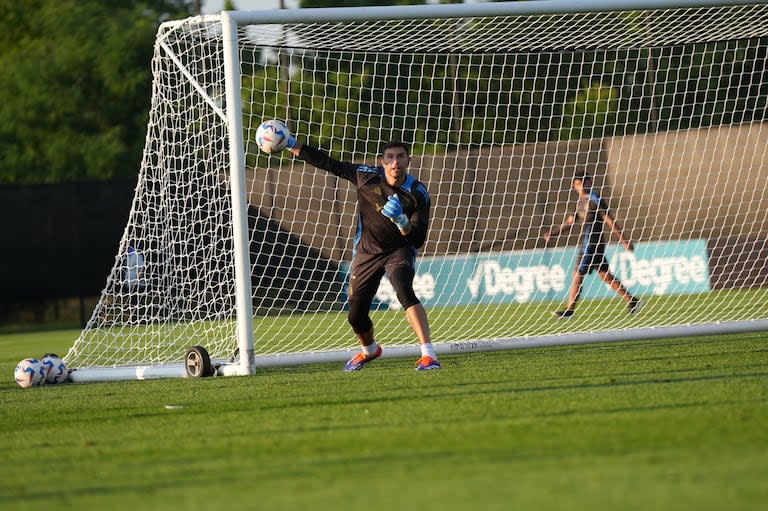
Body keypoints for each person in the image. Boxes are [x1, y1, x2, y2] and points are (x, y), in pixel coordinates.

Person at [283, 132, 441, 371]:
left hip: (398, 250)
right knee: (355, 316)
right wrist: (293, 145)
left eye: (400, 157)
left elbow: (417, 240)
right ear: (382, 162)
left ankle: (429, 355)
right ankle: (370, 350)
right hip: (367, 252)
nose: (395, 162)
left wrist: (402, 221)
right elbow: (330, 164)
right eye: (390, 157)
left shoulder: (418, 193)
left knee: (404, 289)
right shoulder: (366, 176)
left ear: (409, 161)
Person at [543, 173, 642, 318]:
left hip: (591, 244)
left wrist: (624, 240)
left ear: (590, 182)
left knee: (577, 274)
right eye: (578, 183)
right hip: (591, 244)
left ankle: (570, 310)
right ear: (574, 185)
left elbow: (609, 220)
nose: (582, 185)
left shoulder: (595, 200)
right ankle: (633, 301)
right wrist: (554, 233)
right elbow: (570, 221)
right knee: (605, 275)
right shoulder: (580, 202)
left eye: (584, 182)